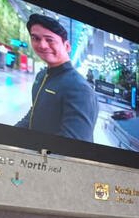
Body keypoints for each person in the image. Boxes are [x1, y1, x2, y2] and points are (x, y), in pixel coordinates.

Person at [15, 14, 99, 142]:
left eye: (49, 40)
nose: (42, 45)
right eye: (36, 38)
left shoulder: (80, 88)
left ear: (67, 46)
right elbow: (35, 112)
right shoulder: (42, 76)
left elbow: (74, 145)